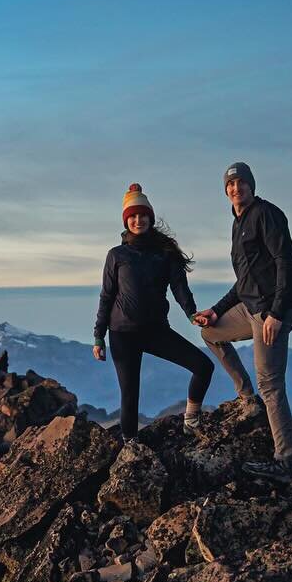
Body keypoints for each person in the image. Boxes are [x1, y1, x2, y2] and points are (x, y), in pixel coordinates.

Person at [191, 162, 292, 472]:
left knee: (271, 383)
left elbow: (286, 265)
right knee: (210, 334)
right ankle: (246, 397)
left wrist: (276, 314)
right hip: (252, 308)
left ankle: (286, 461)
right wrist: (216, 310)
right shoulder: (238, 223)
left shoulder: (267, 215)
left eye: (241, 183)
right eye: (230, 184)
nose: (235, 188)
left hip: (274, 311)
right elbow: (245, 282)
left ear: (251, 186)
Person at [93, 183, 214, 439]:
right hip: (121, 334)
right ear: (127, 221)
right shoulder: (116, 255)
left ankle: (191, 419)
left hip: (156, 331)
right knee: (130, 395)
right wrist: (98, 337)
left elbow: (180, 287)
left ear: (150, 217)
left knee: (203, 366)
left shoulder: (165, 253)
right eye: (133, 216)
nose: (138, 220)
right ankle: (130, 448)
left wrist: (192, 314)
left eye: (142, 215)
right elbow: (106, 296)